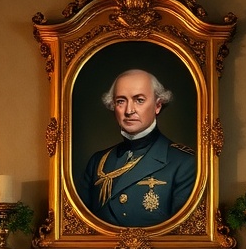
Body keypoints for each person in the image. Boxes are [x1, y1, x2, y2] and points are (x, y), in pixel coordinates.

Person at [78, 68, 196, 227]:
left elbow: (182, 236)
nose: (129, 110)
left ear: (158, 105)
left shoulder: (185, 162)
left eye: (139, 100)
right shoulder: (97, 162)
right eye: (121, 101)